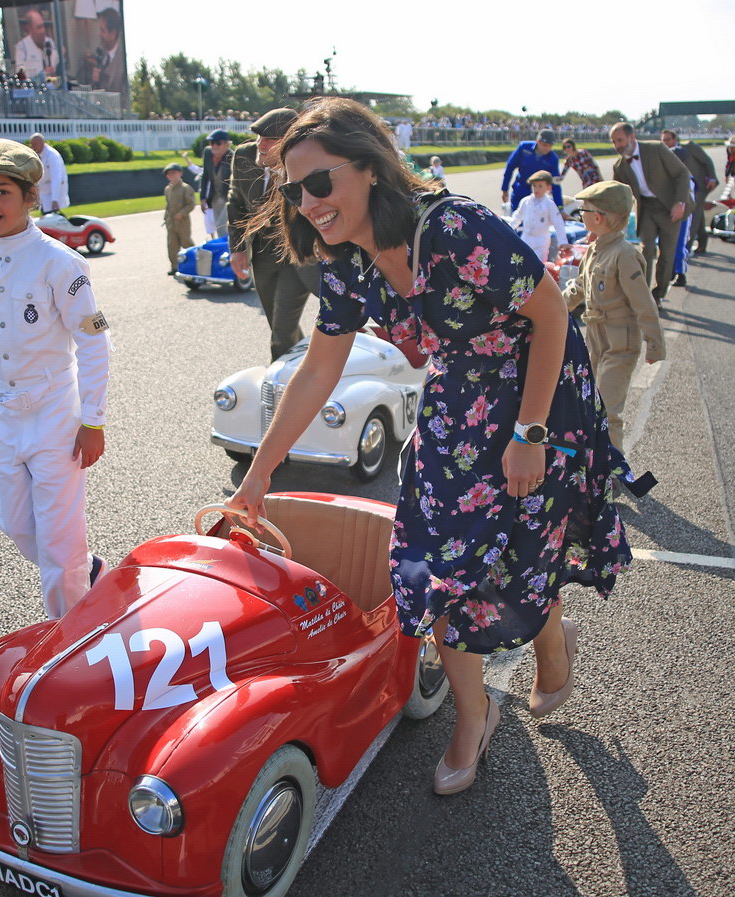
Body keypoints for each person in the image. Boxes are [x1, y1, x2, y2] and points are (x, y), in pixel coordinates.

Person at [229, 98, 638, 796]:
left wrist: (529, 432)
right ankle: (473, 717)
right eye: (293, 190)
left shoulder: (452, 228)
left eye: (319, 183)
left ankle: (550, 636)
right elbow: (317, 370)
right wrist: (257, 476)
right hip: (458, 395)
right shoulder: (343, 262)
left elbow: (549, 312)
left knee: (525, 545)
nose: (307, 202)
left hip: (539, 385)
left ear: (369, 169)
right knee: (435, 564)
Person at [0, 139, 111, 618]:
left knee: (58, 539)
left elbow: (95, 340)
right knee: (16, 525)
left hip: (57, 414)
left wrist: (93, 420)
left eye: (2, 192)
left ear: (29, 197)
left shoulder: (62, 263)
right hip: (3, 414)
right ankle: (88, 573)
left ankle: (72, 635)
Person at [560, 181, 665, 451]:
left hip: (620, 342)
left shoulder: (624, 255)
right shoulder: (595, 251)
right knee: (590, 404)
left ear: (598, 217)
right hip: (596, 338)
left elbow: (643, 302)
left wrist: (654, 342)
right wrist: (554, 310)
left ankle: (615, 471)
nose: (579, 214)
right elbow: (579, 289)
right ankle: (596, 465)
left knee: (607, 408)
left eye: (583, 210)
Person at [227, 108, 321, 359]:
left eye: (270, 139)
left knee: (281, 332)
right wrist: (236, 249)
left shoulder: (307, 161)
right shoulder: (244, 156)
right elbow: (235, 204)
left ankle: (283, 388)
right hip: (263, 254)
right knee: (279, 328)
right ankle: (302, 368)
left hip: (299, 254)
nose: (261, 145)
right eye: (259, 137)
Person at [610, 121, 691, 302]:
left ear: (632, 137)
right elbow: (617, 195)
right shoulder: (620, 166)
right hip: (646, 209)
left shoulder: (656, 149)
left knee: (667, 254)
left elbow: (682, 174)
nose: (617, 146)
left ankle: (659, 294)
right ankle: (643, 297)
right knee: (645, 251)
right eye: (614, 142)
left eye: (620, 140)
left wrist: (680, 202)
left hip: (670, 206)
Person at [662, 129, 718, 253]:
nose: (665, 142)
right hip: (686, 188)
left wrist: (713, 177)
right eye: (663, 140)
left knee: (692, 214)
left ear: (675, 139)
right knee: (698, 214)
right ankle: (702, 243)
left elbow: (707, 161)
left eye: (668, 139)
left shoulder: (690, 147)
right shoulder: (666, 154)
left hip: (701, 185)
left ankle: (686, 247)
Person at [509, 170, 568, 263]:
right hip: (526, 238)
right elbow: (517, 217)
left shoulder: (549, 204)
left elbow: (558, 223)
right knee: (522, 262)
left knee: (538, 265)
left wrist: (563, 242)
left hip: (541, 240)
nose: (536, 189)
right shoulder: (526, 201)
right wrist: (508, 229)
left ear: (548, 187)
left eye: (540, 186)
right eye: (534, 186)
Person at [502, 128, 562, 212]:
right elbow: (509, 167)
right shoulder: (523, 148)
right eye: (545, 145)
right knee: (516, 220)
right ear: (538, 141)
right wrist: (505, 189)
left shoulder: (553, 159)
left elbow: (556, 183)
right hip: (519, 192)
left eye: (550, 146)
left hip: (538, 196)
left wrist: (560, 208)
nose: (547, 148)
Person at [162, 162, 195, 275]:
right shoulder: (167, 189)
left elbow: (191, 204)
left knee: (186, 242)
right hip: (171, 221)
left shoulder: (185, 188)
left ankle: (192, 264)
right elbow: (168, 204)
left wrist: (182, 213)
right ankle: (175, 266)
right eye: (169, 174)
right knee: (172, 245)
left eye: (174, 173)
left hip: (183, 221)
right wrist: (166, 218)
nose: (171, 176)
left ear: (180, 173)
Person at [199, 129, 233, 237]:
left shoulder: (233, 156)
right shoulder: (208, 153)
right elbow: (205, 176)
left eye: (218, 143)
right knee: (219, 227)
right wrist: (202, 197)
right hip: (215, 197)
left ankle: (229, 251)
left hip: (228, 197)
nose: (214, 146)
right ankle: (223, 251)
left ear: (227, 144)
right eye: (212, 143)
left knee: (222, 225)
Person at [13, 8, 59, 83]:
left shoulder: (49, 42)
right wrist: (42, 74)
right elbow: (20, 75)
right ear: (29, 29)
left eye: (43, 26)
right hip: (33, 89)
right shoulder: (22, 47)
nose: (43, 31)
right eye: (39, 27)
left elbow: (56, 60)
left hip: (52, 85)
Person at [29, 132, 69, 214]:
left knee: (54, 216)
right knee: (45, 215)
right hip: (44, 192)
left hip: (54, 191)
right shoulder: (37, 155)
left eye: (34, 144)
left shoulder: (53, 156)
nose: (32, 147)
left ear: (42, 143)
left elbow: (56, 178)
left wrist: (55, 199)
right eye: (31, 144)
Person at [91, 7, 125, 94]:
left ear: (113, 34)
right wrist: (94, 81)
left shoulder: (123, 61)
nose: (100, 34)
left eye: (103, 31)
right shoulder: (100, 54)